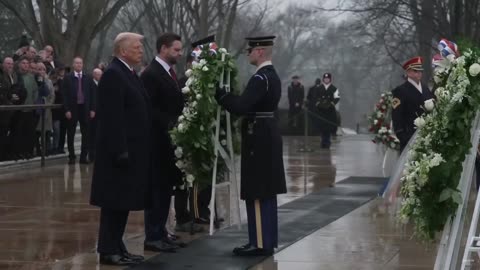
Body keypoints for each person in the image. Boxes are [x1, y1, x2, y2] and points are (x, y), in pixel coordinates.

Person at [215, 35, 287, 256]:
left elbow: (242, 106)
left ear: (260, 52)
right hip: (267, 133)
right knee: (266, 190)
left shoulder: (260, 79)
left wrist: (222, 96)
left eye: (250, 51)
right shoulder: (271, 76)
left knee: (257, 190)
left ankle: (259, 242)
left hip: (258, 136)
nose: (248, 54)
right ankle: (265, 240)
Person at [89, 32, 150, 266]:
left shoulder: (128, 73)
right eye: (137, 47)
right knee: (114, 203)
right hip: (118, 153)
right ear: (123, 50)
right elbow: (112, 117)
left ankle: (118, 246)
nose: (141, 51)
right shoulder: (114, 75)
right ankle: (107, 249)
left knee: (123, 202)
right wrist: (120, 150)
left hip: (132, 150)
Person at [140, 33, 185, 252]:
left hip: (168, 141)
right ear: (164, 49)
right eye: (176, 49)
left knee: (166, 188)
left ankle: (162, 232)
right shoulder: (151, 74)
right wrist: (172, 122)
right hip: (157, 140)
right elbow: (149, 109)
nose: (179, 53)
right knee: (157, 189)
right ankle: (153, 235)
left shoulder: (168, 72)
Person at [392, 56, 435, 151]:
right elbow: (396, 116)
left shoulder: (425, 88)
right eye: (416, 71)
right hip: (409, 138)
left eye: (420, 71)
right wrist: (403, 137)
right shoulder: (400, 91)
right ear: (408, 72)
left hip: (427, 137)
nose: (419, 73)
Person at [62, 57, 96, 164]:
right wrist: (67, 109)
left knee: (85, 134)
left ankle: (83, 157)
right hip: (73, 109)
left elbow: (93, 94)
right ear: (73, 65)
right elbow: (64, 95)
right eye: (76, 63)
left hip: (85, 109)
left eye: (80, 63)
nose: (79, 65)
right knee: (71, 133)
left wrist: (92, 109)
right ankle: (72, 156)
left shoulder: (88, 77)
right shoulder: (67, 78)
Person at [306, 73, 340, 149]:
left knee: (328, 127)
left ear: (330, 79)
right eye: (325, 79)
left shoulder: (334, 88)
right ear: (323, 79)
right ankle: (323, 141)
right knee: (322, 127)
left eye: (328, 79)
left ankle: (326, 142)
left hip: (330, 110)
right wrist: (318, 103)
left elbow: (337, 98)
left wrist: (332, 103)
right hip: (321, 110)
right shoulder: (319, 88)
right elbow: (315, 97)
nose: (326, 80)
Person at [89, 68, 103, 161]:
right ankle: (91, 155)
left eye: (101, 74)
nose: (100, 76)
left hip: (101, 113)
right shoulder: (90, 84)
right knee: (92, 134)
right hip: (93, 112)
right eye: (98, 74)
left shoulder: (102, 84)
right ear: (94, 75)